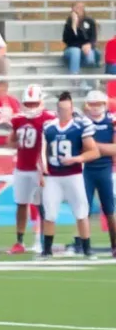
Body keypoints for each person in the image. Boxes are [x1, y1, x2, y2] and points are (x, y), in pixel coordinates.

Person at [40, 93, 98, 259]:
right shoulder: (49, 127)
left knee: (81, 212)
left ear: (72, 109)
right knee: (50, 213)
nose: (63, 112)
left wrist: (76, 158)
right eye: (61, 109)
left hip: (73, 174)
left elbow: (94, 152)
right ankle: (47, 250)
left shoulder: (79, 126)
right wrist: (41, 171)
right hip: (53, 176)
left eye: (66, 109)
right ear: (57, 109)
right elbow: (42, 152)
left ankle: (87, 249)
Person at [9, 84, 52, 254]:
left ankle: (41, 240)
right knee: (21, 204)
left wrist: (45, 167)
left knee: (42, 206)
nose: (31, 107)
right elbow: (11, 141)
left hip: (39, 168)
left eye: (34, 104)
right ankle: (19, 241)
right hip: (22, 167)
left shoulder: (49, 119)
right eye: (29, 104)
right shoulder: (18, 120)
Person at [82, 90, 116, 255]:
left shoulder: (111, 121)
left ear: (104, 104)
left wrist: (93, 147)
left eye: (98, 104)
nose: (95, 108)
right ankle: (85, 245)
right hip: (86, 170)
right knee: (84, 211)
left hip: (105, 169)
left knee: (109, 210)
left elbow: (115, 149)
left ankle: (115, 244)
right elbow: (81, 147)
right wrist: (102, 148)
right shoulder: (82, 122)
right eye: (92, 104)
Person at [63, 2, 99, 74]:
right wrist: (74, 26)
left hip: (87, 49)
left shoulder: (90, 21)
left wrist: (89, 45)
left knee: (91, 58)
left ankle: (88, 78)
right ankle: (74, 77)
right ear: (72, 10)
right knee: (76, 51)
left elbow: (93, 38)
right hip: (72, 50)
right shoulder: (69, 22)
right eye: (76, 8)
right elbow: (67, 40)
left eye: (81, 7)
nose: (79, 10)